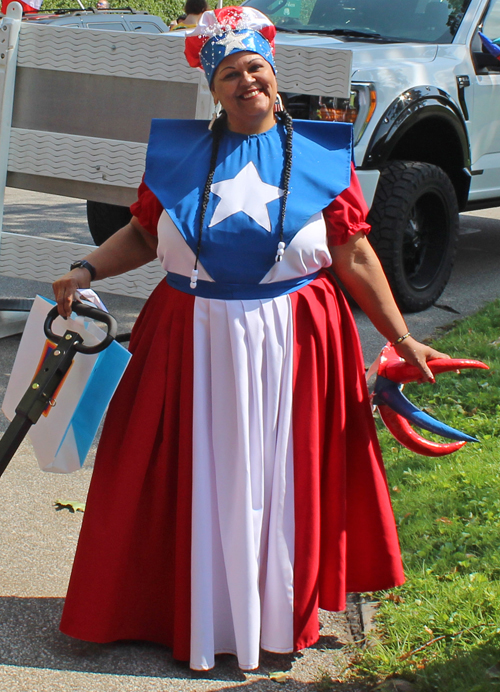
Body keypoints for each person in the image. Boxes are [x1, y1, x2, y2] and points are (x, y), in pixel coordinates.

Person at [53, 6, 448, 672]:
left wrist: (401, 336)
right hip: (190, 338)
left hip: (292, 342)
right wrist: (86, 267)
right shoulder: (180, 156)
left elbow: (353, 253)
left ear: (274, 74)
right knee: (183, 470)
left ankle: (269, 610)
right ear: (213, 88)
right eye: (230, 73)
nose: (246, 82)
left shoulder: (323, 155)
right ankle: (186, 609)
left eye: (255, 69)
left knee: (279, 477)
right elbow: (147, 235)